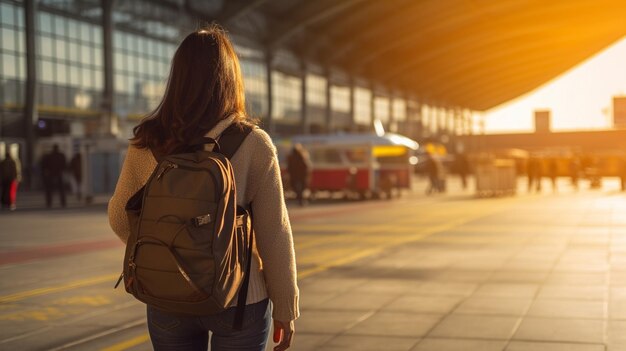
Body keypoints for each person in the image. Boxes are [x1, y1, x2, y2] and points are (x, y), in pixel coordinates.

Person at [108, 26, 299, 351]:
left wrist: (174, 250)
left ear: (177, 78)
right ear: (229, 78)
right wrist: (286, 305)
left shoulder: (148, 140)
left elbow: (119, 219)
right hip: (239, 299)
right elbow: (274, 232)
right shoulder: (254, 143)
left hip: (168, 293)